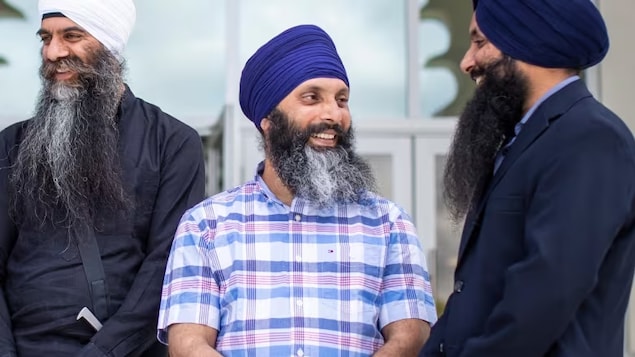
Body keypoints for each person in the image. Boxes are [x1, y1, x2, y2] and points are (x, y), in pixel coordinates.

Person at [157, 24, 437, 357]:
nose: (333, 114)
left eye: (342, 100)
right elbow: (187, 343)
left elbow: (411, 337)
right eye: (312, 97)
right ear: (268, 119)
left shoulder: (388, 223)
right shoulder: (207, 224)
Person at [422, 1, 635, 356]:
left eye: (479, 42)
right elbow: (471, 296)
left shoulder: (591, 137)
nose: (466, 62)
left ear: (527, 41)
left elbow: (546, 292)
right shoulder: (523, 143)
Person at [0, 0, 206, 356]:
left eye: (72, 36)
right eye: (45, 38)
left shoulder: (172, 143)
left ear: (109, 44)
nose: (53, 52)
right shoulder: (11, 145)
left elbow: (168, 269)